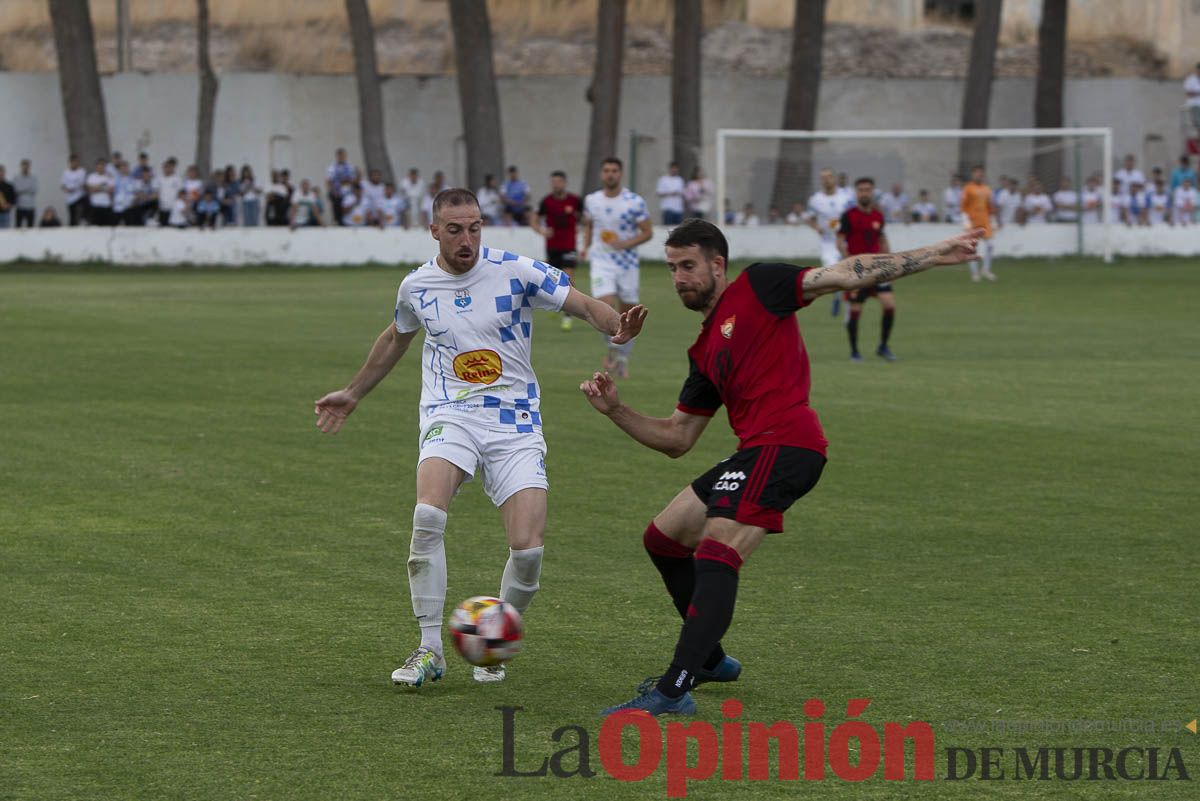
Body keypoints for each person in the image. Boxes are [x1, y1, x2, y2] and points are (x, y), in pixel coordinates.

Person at [580, 218, 983, 716]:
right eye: (671, 268)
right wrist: (617, 410)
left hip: (790, 444)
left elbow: (844, 274)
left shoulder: (760, 285)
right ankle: (709, 658)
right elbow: (677, 438)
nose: (679, 277)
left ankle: (672, 689)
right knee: (663, 539)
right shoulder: (704, 350)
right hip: (755, 451)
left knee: (715, 551)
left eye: (688, 265)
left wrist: (933, 252)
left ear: (717, 265)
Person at [313, 187, 647, 688]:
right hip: (451, 413)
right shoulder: (417, 287)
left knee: (528, 550)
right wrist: (354, 392)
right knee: (428, 515)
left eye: (474, 227)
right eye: (454, 229)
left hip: (515, 422)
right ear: (434, 231)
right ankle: (429, 649)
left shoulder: (515, 270)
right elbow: (395, 336)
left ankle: (493, 640)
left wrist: (616, 327)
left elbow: (581, 304)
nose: (466, 239)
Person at [581, 157, 653, 378]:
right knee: (605, 304)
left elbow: (647, 232)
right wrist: (585, 247)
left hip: (627, 263)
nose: (610, 174)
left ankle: (621, 356)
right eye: (606, 170)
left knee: (628, 311)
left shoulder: (634, 202)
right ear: (602, 174)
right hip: (602, 262)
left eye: (614, 170)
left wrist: (626, 244)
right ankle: (614, 348)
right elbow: (589, 226)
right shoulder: (592, 200)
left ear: (620, 174)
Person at [838, 177, 897, 361]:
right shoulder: (849, 215)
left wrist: (890, 263)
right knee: (856, 309)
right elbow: (839, 240)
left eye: (868, 189)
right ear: (857, 193)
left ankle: (883, 346)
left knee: (889, 304)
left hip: (878, 269)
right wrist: (849, 262)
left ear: (873, 192)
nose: (865, 193)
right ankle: (854, 351)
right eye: (861, 190)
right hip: (857, 271)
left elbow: (882, 239)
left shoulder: (878, 216)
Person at [530, 170, 582, 331]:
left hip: (569, 246)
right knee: (553, 280)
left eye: (559, 181)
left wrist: (585, 239)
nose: (556, 184)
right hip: (552, 247)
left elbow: (585, 219)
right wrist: (542, 231)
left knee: (568, 279)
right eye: (553, 182)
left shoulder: (574, 200)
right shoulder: (547, 202)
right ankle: (556, 305)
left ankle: (568, 316)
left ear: (565, 183)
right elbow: (534, 219)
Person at [803, 168, 850, 316]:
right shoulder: (816, 199)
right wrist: (817, 228)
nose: (826, 180)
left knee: (850, 271)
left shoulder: (846, 197)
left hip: (845, 241)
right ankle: (837, 297)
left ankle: (849, 304)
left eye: (828, 177)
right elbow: (809, 218)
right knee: (830, 272)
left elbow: (853, 215)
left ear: (834, 178)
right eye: (822, 178)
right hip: (828, 243)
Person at [961, 165, 998, 282]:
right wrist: (965, 220)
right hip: (972, 222)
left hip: (985, 221)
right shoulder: (968, 188)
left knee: (990, 245)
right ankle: (974, 273)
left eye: (981, 173)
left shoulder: (987, 189)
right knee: (972, 248)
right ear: (973, 174)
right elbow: (963, 205)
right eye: (977, 173)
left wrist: (993, 220)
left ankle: (986, 270)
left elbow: (990, 206)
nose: (979, 175)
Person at [325, 148, 355, 225]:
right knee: (336, 200)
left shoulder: (350, 167)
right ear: (337, 156)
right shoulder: (332, 168)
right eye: (340, 155)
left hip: (348, 192)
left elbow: (353, 180)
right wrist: (333, 191)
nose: (341, 157)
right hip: (336, 192)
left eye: (343, 155)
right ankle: (338, 220)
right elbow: (328, 181)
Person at [85, 158, 115, 226]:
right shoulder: (91, 176)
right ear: (96, 167)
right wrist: (103, 186)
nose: (101, 168)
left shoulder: (109, 176)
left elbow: (111, 190)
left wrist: (97, 188)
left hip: (106, 205)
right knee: (96, 227)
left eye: (102, 166)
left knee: (108, 226)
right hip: (96, 205)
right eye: (99, 166)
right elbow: (90, 190)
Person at [61, 154, 88, 226]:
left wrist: (75, 187)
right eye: (73, 162)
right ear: (70, 162)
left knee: (86, 201)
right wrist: (67, 190)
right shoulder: (65, 172)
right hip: (70, 197)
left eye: (76, 162)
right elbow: (63, 185)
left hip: (79, 194)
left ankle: (83, 218)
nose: (74, 164)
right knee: (72, 216)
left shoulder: (82, 171)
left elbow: (82, 183)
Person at [156, 158, 182, 227]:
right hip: (162, 206)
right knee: (162, 225)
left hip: (173, 206)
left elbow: (180, 192)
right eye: (166, 167)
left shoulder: (177, 179)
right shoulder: (159, 178)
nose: (167, 169)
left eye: (169, 167)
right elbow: (157, 191)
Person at [13, 159, 38, 228]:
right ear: (21, 167)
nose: (25, 168)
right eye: (24, 166)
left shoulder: (33, 178)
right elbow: (16, 190)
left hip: (30, 206)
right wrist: (27, 189)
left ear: (29, 167)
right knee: (18, 227)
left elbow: (34, 190)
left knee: (31, 227)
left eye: (27, 166)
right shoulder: (16, 178)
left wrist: (22, 190)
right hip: (20, 206)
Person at [1185, 62, 1200, 135]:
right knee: (1197, 122)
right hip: (1195, 105)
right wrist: (1197, 93)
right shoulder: (1190, 80)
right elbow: (1188, 93)